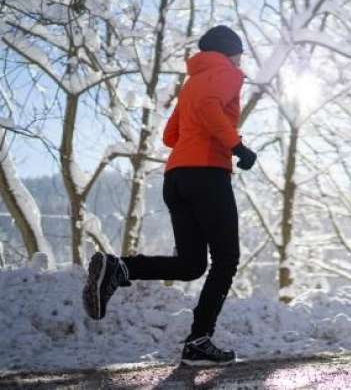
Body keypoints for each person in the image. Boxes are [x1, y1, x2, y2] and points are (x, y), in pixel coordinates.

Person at [82, 25, 257, 366]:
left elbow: (170, 134)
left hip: (177, 177)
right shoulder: (227, 74)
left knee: (192, 265)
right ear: (228, 51)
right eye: (239, 52)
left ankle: (120, 268)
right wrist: (236, 146)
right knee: (227, 259)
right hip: (207, 175)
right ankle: (199, 340)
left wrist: (203, 142)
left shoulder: (192, 82)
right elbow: (208, 110)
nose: (240, 59)